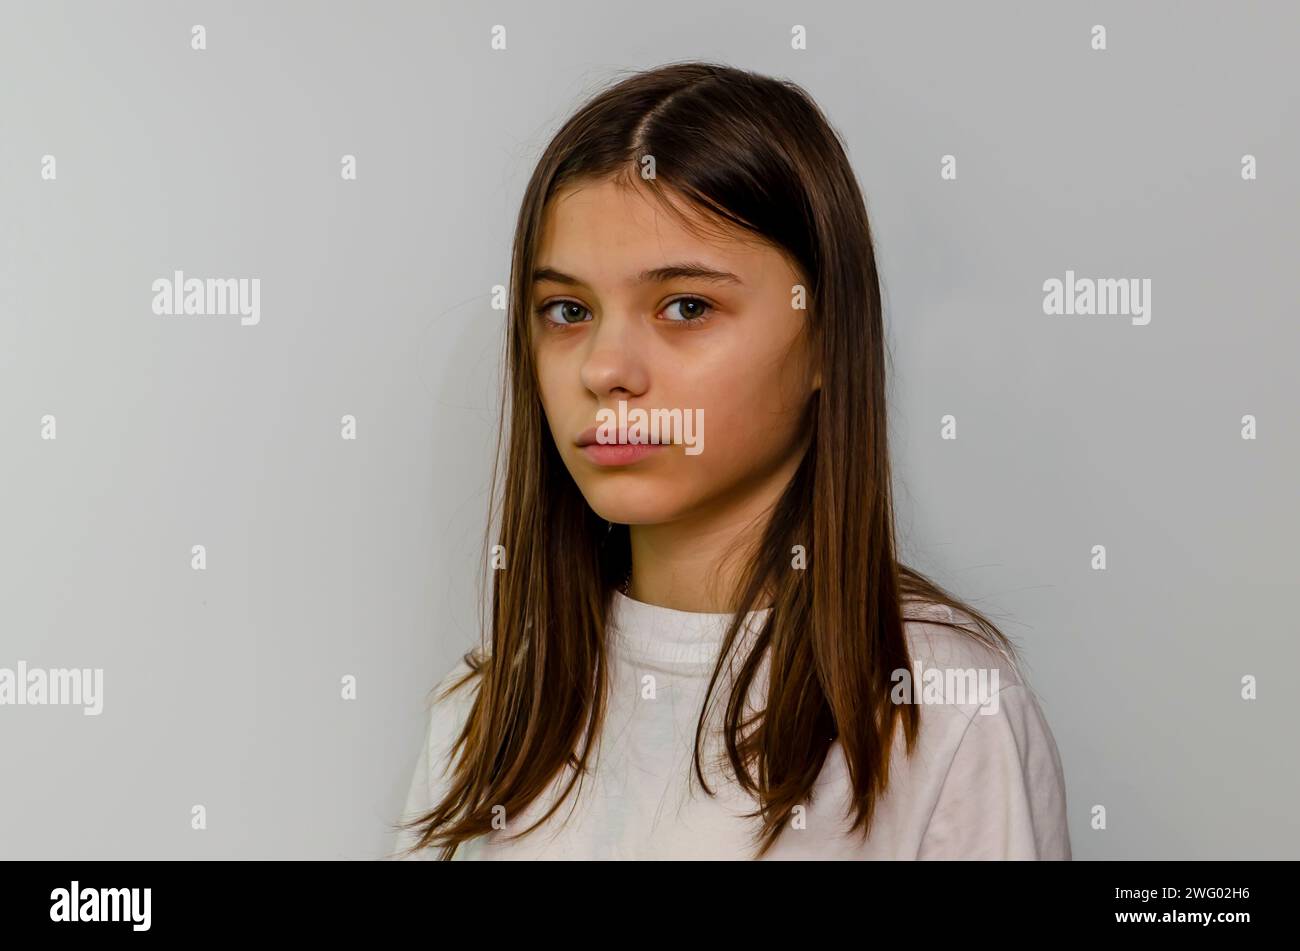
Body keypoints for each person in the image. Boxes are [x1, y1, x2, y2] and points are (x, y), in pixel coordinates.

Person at [391, 61, 1071, 860]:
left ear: (825, 339)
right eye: (567, 311)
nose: (605, 369)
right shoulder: (483, 715)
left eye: (686, 306)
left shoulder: (941, 713)